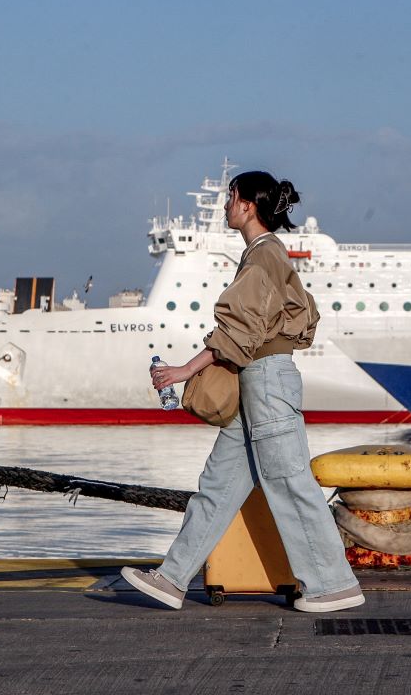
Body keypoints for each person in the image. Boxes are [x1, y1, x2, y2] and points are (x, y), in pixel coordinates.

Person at [121, 171, 364, 613]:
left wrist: (181, 372)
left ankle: (334, 584)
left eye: (231, 196)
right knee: (217, 486)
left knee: (289, 482)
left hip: (266, 382)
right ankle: (172, 579)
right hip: (260, 380)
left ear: (248, 204)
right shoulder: (268, 254)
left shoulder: (262, 256)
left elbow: (236, 330)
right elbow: (304, 318)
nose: (226, 204)